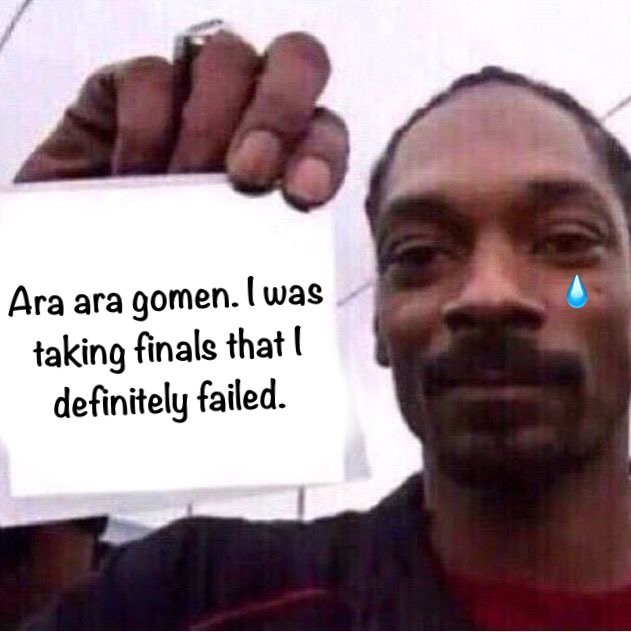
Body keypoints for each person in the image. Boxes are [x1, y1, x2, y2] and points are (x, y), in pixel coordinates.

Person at [15, 28, 631, 630]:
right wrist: (38, 331)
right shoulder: (192, 598)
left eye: (566, 240)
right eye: (419, 253)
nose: (489, 294)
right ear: (380, 326)